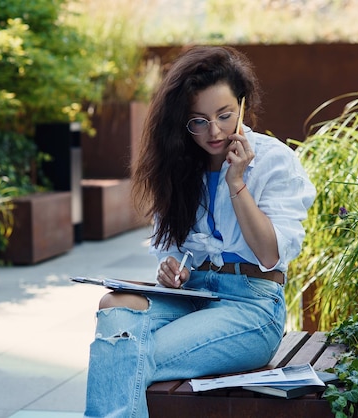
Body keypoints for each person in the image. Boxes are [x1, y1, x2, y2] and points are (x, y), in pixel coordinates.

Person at [83, 45, 316, 418]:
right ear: (183, 123)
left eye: (225, 115)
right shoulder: (180, 166)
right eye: (199, 121)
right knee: (114, 305)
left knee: (128, 351)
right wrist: (171, 266)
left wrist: (237, 181)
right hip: (192, 295)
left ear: (242, 104)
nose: (215, 131)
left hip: (250, 306)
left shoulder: (274, 161)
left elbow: (270, 254)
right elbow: (170, 247)